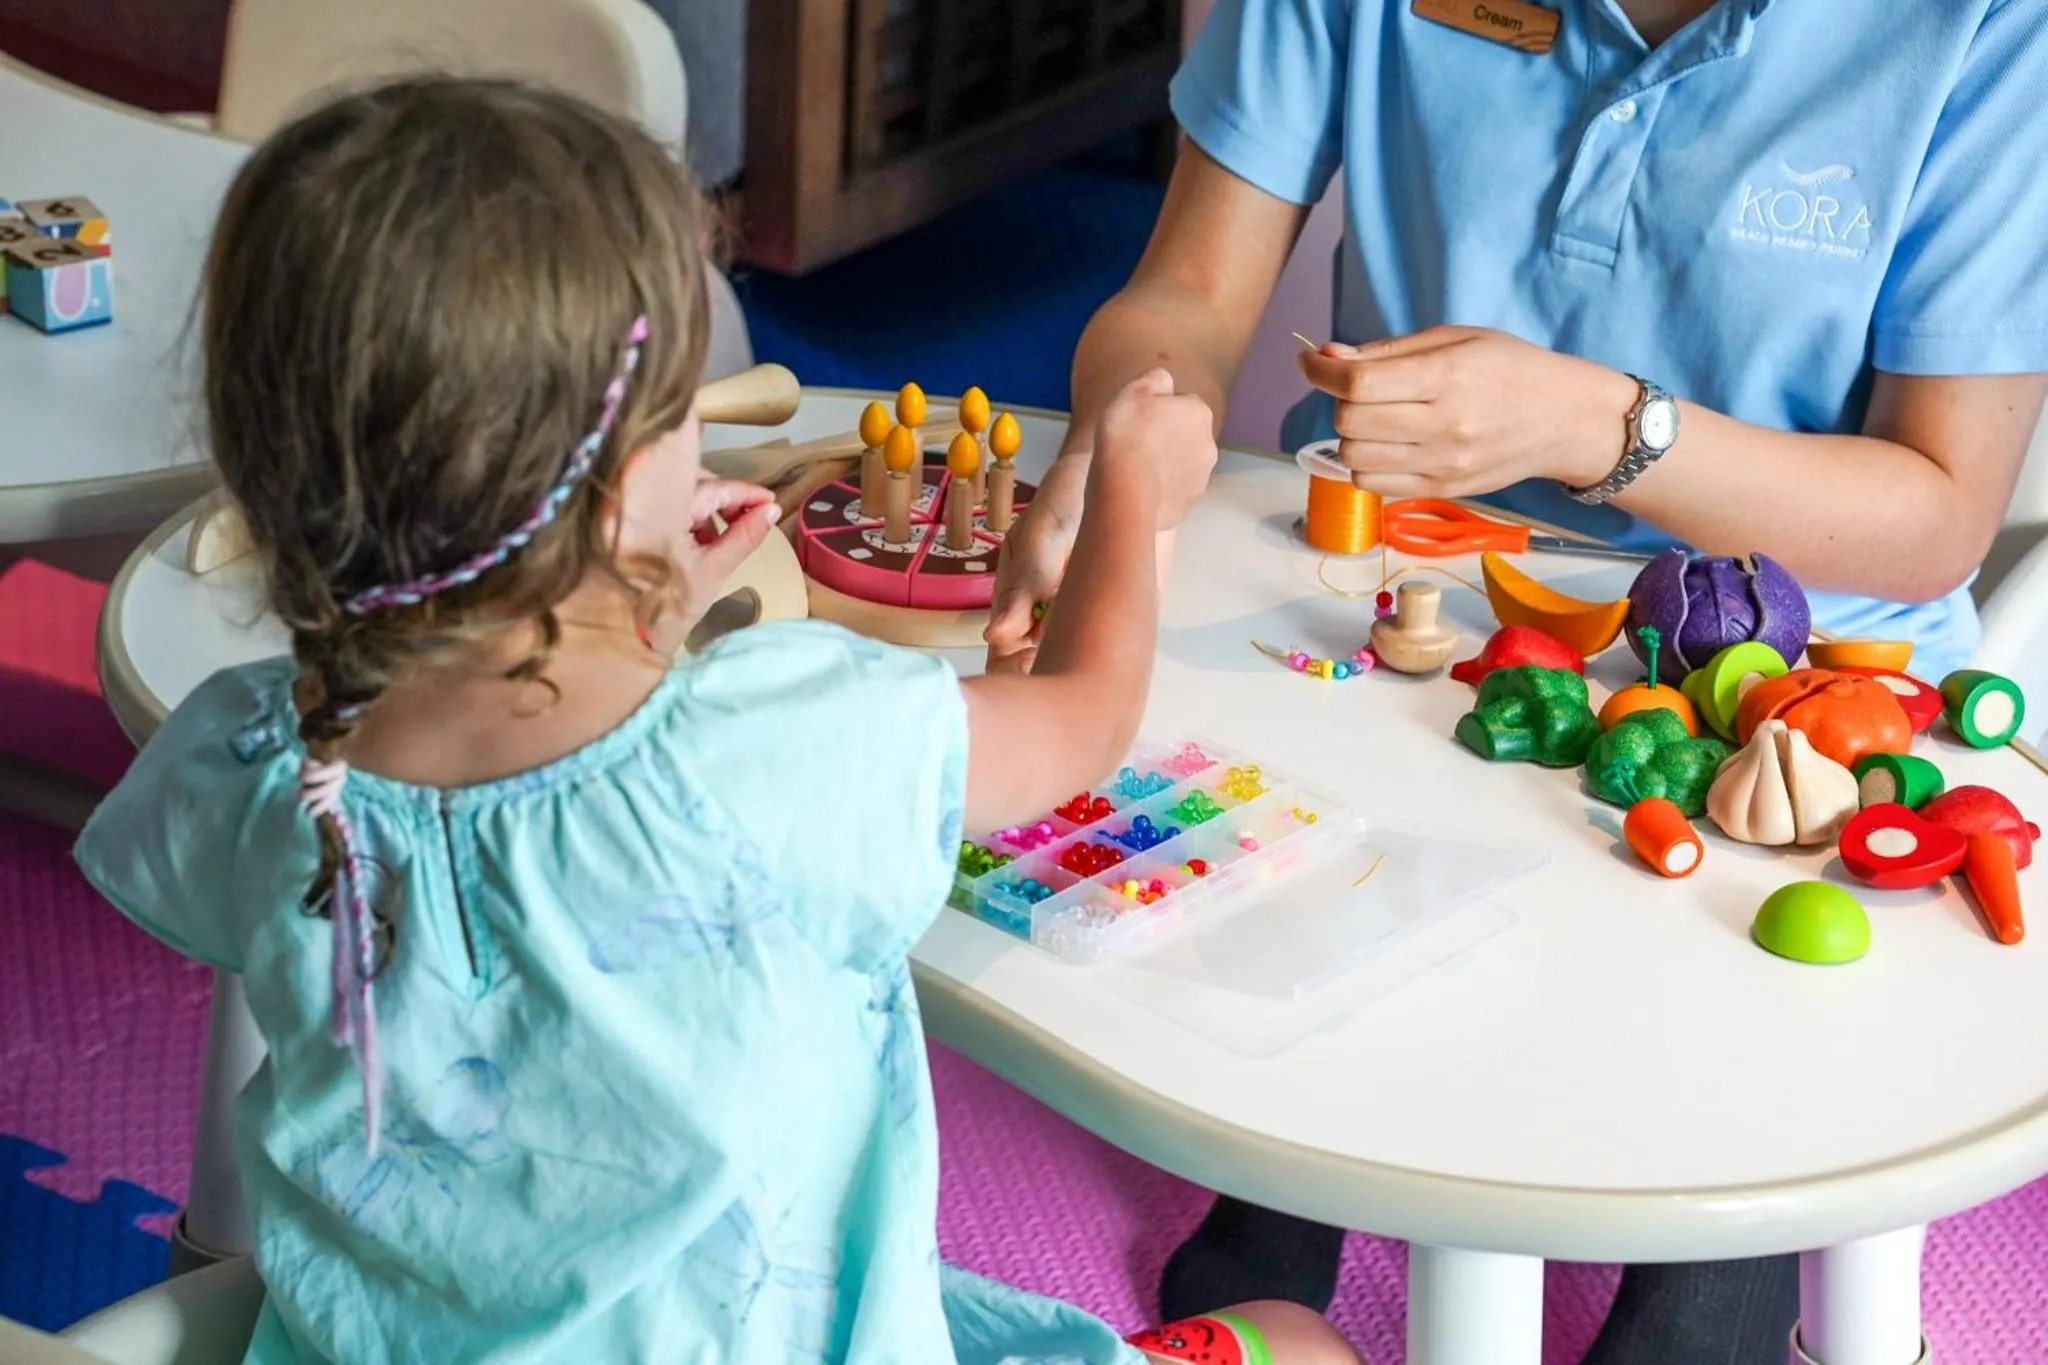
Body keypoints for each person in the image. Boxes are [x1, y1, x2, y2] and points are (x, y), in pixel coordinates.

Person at [72, 78, 1358, 1365]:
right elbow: (1077, 721)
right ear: (631, 471)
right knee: (1301, 1340)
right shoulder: (774, 743)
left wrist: (619, 613)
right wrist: (1126, 497)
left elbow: (424, 831)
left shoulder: (248, 753)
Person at [986, 0, 2048, 1360]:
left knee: (1740, 953)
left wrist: (1595, 426)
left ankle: (1711, 1226)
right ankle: (1321, 1125)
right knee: (1284, 790)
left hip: (1803, 667)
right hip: (1402, 586)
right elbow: (1187, 294)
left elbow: (1936, 513)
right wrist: (1120, 443)